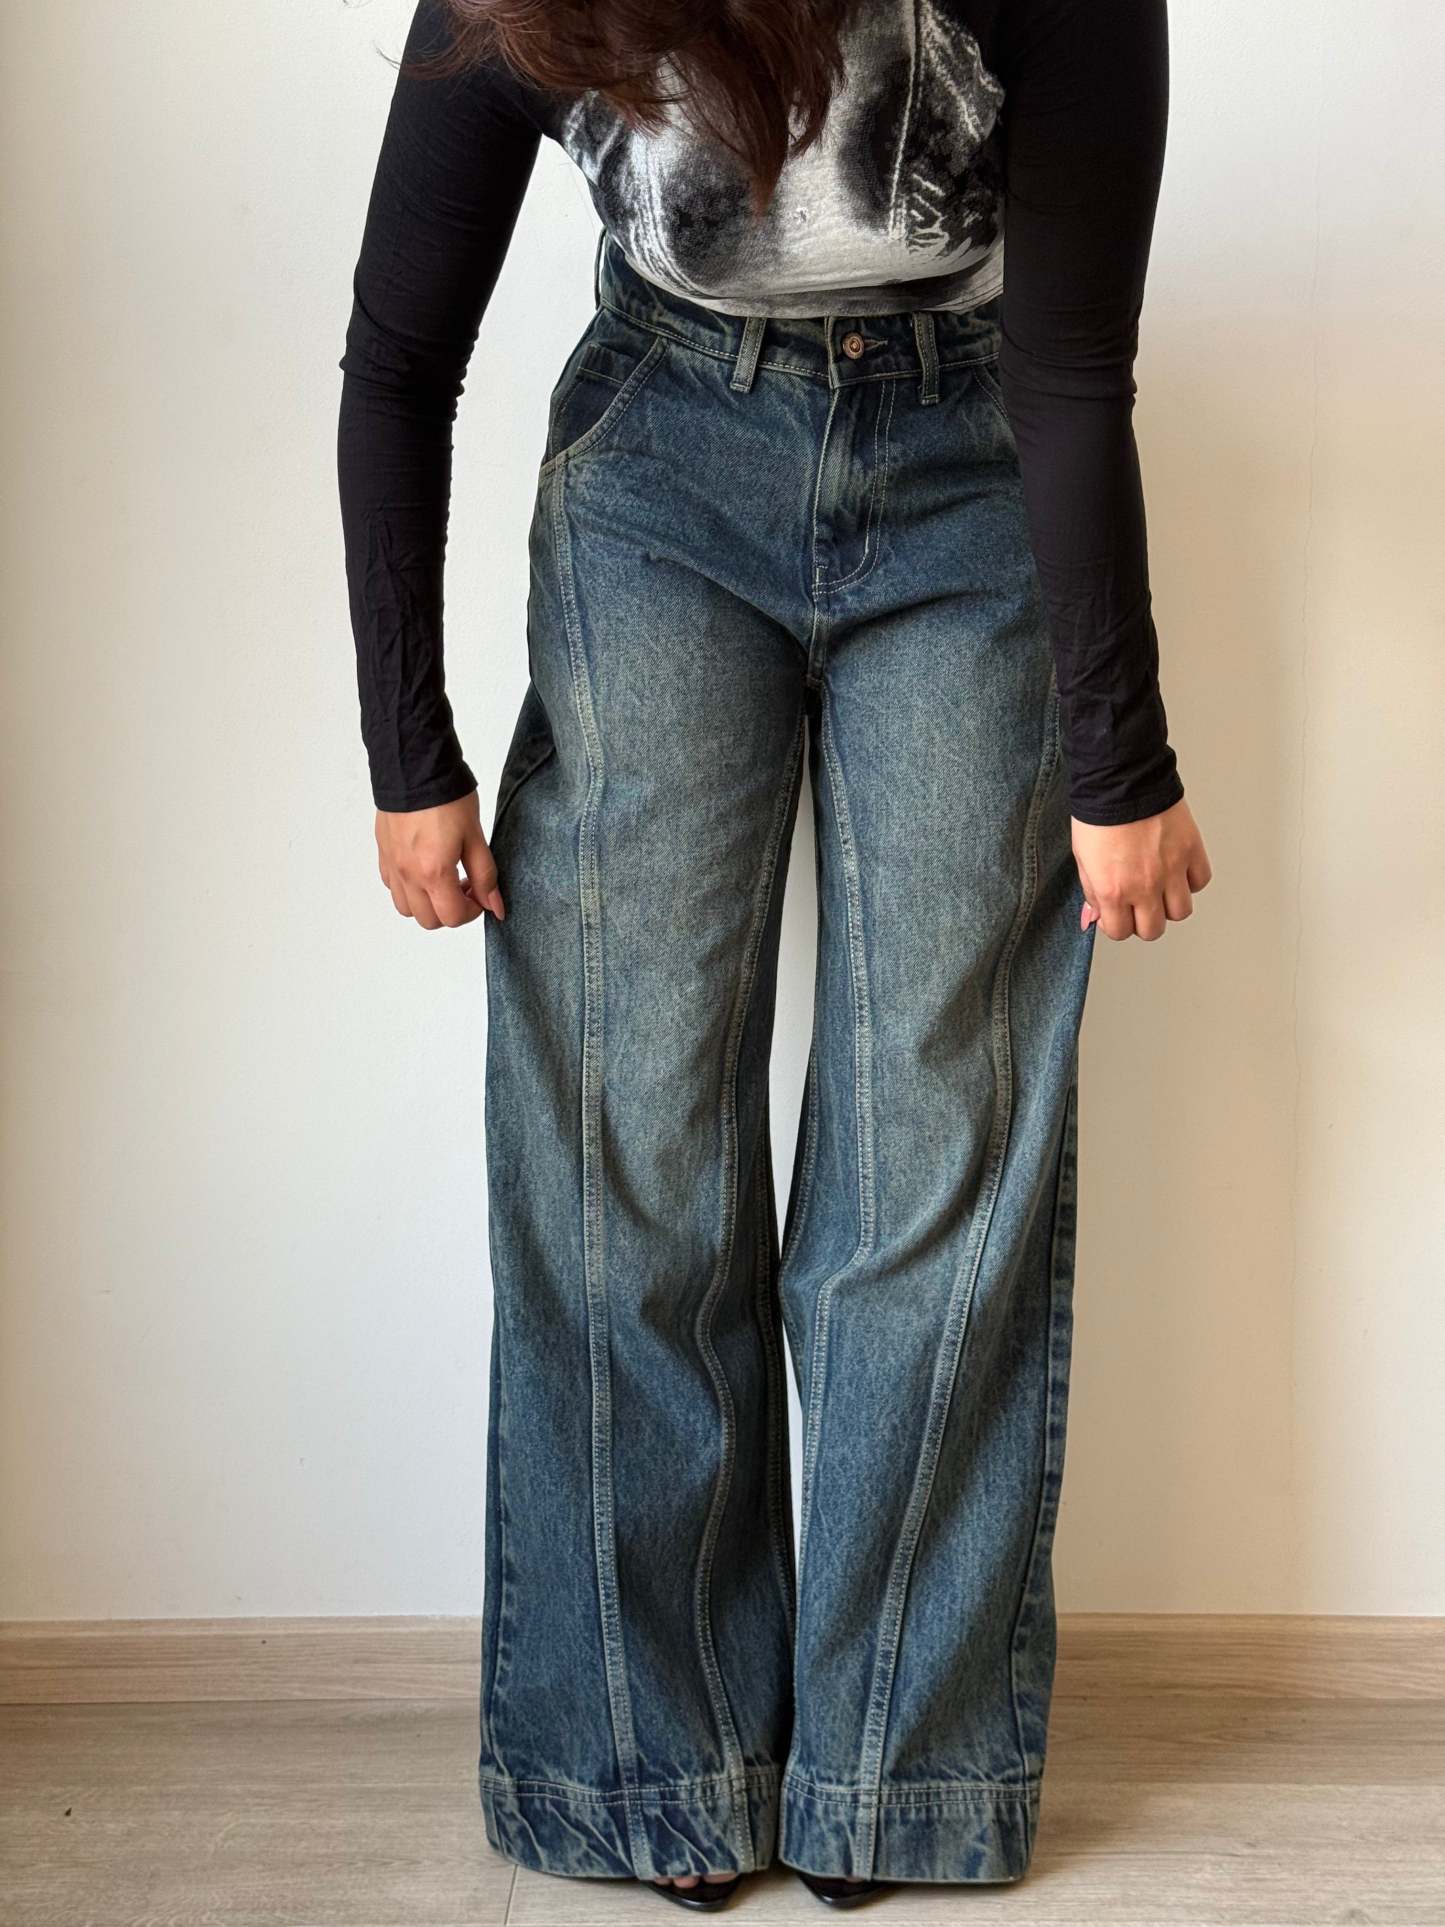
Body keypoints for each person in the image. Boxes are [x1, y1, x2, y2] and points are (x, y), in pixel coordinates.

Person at [336, 0, 1212, 1909]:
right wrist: (410, 754)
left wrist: (1118, 762)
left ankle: (895, 1783)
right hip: (660, 469)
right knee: (624, 1152)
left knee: (934, 1156)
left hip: (978, 462)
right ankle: (642, 1773)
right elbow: (400, 356)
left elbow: (1074, 366)